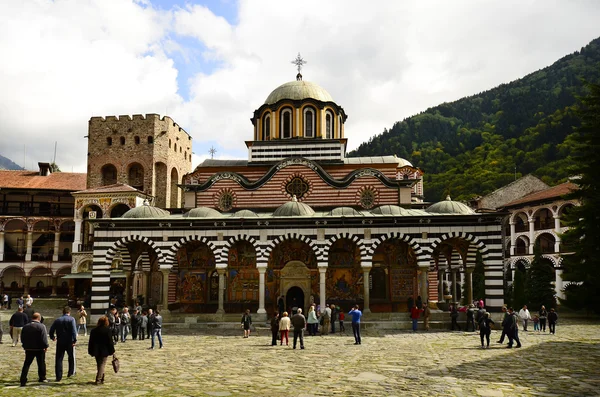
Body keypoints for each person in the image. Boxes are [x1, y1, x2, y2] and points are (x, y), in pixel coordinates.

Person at [49, 306, 78, 381]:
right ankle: (70, 372)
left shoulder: (58, 320)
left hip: (60, 341)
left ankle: (58, 375)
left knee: (59, 358)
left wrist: (53, 337)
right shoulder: (71, 319)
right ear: (69, 312)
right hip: (69, 341)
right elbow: (74, 331)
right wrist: (74, 340)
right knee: (71, 357)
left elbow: (51, 330)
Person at [19, 312, 48, 386]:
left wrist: (24, 345)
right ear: (39, 318)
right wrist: (46, 346)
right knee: (41, 363)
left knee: (27, 364)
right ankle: (42, 377)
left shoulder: (26, 326)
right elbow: (44, 337)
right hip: (39, 348)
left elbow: (22, 337)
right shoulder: (41, 326)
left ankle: (23, 379)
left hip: (29, 348)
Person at [88, 316, 115, 385]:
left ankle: (102, 378)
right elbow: (110, 342)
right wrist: (112, 350)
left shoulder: (94, 331)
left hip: (96, 350)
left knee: (99, 364)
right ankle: (98, 379)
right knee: (102, 365)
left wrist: (90, 350)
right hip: (104, 350)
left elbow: (91, 342)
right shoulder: (107, 330)